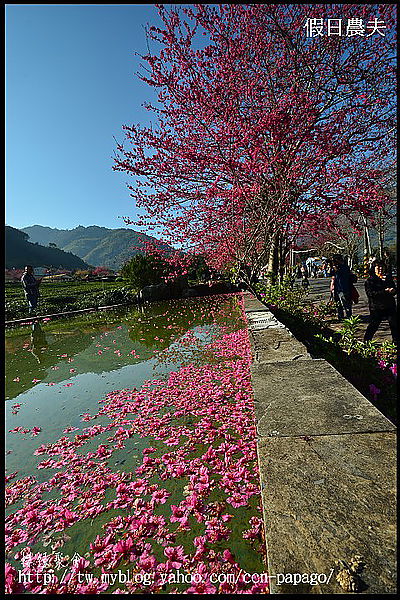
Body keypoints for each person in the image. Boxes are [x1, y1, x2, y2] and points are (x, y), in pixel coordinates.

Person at [364, 260, 397, 344]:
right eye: (378, 267)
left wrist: (393, 290)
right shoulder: (370, 281)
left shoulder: (388, 278)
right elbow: (371, 294)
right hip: (377, 307)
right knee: (374, 325)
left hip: (390, 306)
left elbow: (394, 289)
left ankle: (395, 343)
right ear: (374, 268)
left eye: (382, 267)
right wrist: (385, 291)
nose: (380, 269)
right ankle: (366, 342)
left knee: (394, 325)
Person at [330, 254, 355, 320]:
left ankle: (349, 317)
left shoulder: (344, 267)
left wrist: (336, 269)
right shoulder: (336, 267)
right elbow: (332, 274)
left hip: (344, 289)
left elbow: (341, 274)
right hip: (337, 288)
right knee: (338, 304)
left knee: (346, 304)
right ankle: (340, 316)